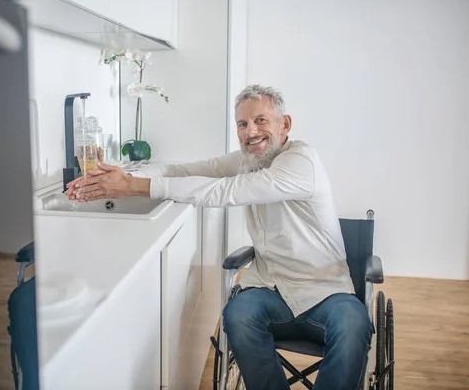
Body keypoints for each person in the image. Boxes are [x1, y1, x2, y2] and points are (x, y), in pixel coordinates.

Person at [64, 84, 372, 390]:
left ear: (285, 124)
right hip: (270, 289)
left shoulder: (301, 162)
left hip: (325, 294)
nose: (251, 131)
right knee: (237, 314)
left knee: (354, 324)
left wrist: (134, 188)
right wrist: (126, 176)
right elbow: (185, 171)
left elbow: (227, 191)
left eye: (261, 120)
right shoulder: (244, 161)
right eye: (242, 123)